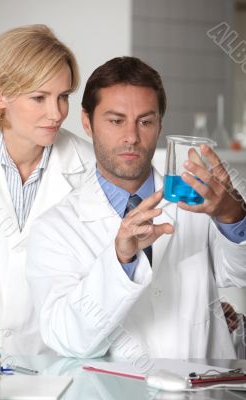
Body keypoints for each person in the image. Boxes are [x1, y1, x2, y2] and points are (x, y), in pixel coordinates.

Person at [27, 56, 246, 362]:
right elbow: (69, 339)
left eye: (145, 121)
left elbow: (239, 275)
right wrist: (121, 259)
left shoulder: (197, 202)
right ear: (87, 123)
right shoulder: (55, 228)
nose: (132, 136)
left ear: (160, 125)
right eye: (116, 121)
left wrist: (233, 217)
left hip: (204, 389)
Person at [0, 24, 94, 355]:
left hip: (54, 365)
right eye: (39, 98)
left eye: (63, 97)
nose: (56, 113)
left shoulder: (89, 169)